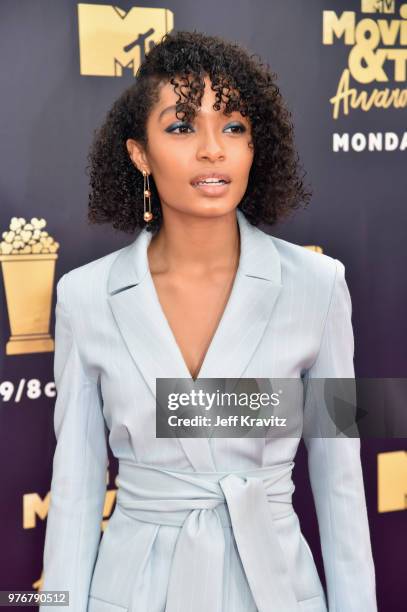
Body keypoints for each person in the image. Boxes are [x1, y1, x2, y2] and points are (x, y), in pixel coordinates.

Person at [40, 30, 377, 612]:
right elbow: (73, 495)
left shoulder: (317, 289)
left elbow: (340, 485)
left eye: (233, 127)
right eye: (181, 127)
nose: (212, 149)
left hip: (275, 589)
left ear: (254, 146)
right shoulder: (86, 297)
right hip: (132, 592)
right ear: (139, 153)